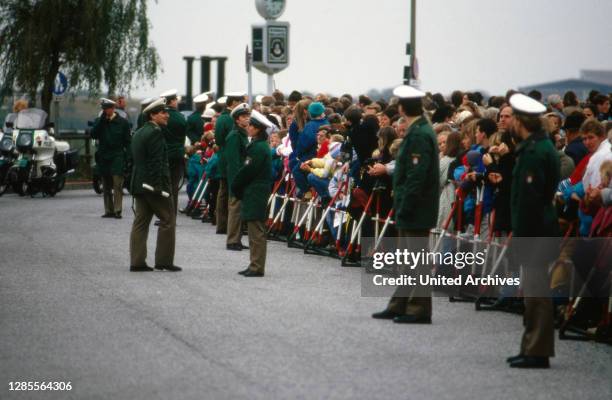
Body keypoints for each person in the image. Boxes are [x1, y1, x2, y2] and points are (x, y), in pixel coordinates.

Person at [372, 85, 439, 324]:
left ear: (401, 107)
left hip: (416, 207)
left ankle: (419, 308)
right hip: (412, 205)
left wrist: (406, 204)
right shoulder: (418, 130)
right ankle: (399, 303)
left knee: (417, 260)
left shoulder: (420, 134)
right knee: (408, 259)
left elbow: (416, 175)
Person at [507, 93, 560, 368]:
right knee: (533, 292)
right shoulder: (537, 147)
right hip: (538, 227)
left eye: (513, 118)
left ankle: (537, 350)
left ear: (520, 121)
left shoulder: (535, 151)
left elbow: (529, 201)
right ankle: (530, 346)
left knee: (537, 295)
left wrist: (520, 236)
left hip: (535, 230)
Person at [129, 98, 180, 272]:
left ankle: (137, 261)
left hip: (139, 183)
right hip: (153, 185)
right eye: (163, 112)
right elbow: (157, 163)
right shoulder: (155, 133)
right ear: (152, 115)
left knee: (141, 222)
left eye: (166, 112)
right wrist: (160, 187)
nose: (167, 115)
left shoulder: (140, 132)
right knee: (167, 220)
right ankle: (164, 261)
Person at [232, 110, 274, 277]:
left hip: (256, 190)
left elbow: (248, 170)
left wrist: (236, 184)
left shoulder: (258, 147)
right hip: (255, 190)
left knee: (256, 230)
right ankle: (254, 264)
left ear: (257, 129)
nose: (248, 127)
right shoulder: (259, 145)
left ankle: (257, 266)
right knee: (253, 229)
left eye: (250, 125)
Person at [90, 98, 131, 219]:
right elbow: (93, 134)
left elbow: (128, 141)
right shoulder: (100, 121)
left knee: (117, 183)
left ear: (113, 109)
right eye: (104, 109)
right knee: (106, 184)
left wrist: (129, 157)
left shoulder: (122, 122)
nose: (106, 111)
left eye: (108, 108)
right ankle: (109, 210)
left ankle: (118, 210)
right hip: (104, 155)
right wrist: (102, 120)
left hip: (117, 155)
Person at [214, 92, 246, 234]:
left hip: (223, 158)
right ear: (233, 103)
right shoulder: (230, 119)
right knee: (232, 194)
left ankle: (221, 224)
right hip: (232, 158)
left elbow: (218, 140)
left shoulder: (222, 118)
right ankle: (231, 226)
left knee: (223, 193)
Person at [225, 103, 251, 251]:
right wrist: (237, 181)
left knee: (240, 209)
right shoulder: (235, 135)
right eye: (243, 116)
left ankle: (237, 239)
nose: (247, 119)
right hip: (237, 177)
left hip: (243, 176)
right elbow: (234, 161)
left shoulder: (242, 134)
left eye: (248, 116)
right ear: (236, 119)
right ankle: (232, 240)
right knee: (235, 208)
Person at [159, 89, 187, 216]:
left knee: (164, 186)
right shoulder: (181, 117)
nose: (177, 102)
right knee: (174, 187)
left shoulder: (160, 117)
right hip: (177, 154)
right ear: (172, 101)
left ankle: (163, 214)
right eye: (176, 99)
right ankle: (172, 215)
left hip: (163, 154)